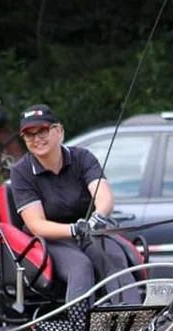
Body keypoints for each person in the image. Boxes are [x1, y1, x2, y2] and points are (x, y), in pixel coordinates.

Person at [8, 104, 141, 305]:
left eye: (42, 131)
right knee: (80, 267)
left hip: (90, 232)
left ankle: (132, 322)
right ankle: (81, 328)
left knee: (112, 257)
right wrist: (72, 229)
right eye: (29, 135)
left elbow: (104, 196)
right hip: (51, 240)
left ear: (59, 131)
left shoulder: (82, 158)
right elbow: (36, 224)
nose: (36, 139)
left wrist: (99, 216)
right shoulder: (21, 171)